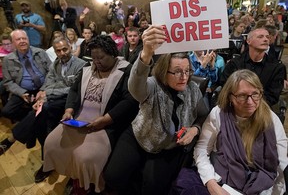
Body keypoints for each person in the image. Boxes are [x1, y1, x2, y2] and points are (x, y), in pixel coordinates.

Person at [104, 25, 209, 195]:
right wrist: (146, 53)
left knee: (153, 188)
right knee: (113, 177)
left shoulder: (192, 90)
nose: (184, 77)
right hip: (140, 136)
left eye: (187, 71)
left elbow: (204, 115)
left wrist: (195, 130)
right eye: (176, 72)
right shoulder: (153, 84)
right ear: (163, 71)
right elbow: (135, 87)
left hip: (168, 145)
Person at [42, 35, 139, 194]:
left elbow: (129, 101)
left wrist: (105, 120)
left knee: (84, 156)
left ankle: (89, 183)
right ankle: (75, 176)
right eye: (94, 58)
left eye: (101, 58)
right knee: (52, 143)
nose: (96, 62)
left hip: (106, 122)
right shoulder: (88, 66)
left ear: (113, 54)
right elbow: (74, 90)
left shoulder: (126, 69)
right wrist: (69, 110)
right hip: (79, 118)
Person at [0, 37, 87, 183]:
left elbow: (74, 89)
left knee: (43, 109)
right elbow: (48, 80)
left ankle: (11, 140)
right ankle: (47, 163)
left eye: (65, 49)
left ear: (70, 48)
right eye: (58, 51)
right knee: (42, 123)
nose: (62, 53)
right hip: (53, 100)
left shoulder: (82, 65)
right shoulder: (56, 64)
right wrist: (42, 93)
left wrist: (46, 95)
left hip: (70, 101)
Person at [193, 69, 288, 195]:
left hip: (261, 184)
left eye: (255, 94)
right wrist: (210, 182)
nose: (250, 102)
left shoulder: (270, 119)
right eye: (242, 96)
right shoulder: (219, 114)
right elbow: (202, 149)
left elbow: (281, 162)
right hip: (224, 180)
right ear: (230, 97)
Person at [220, 27, 286, 107]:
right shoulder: (234, 64)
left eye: (267, 37)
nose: (266, 39)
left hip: (261, 109)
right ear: (248, 41)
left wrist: (251, 105)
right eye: (260, 37)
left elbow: (272, 96)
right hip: (235, 107)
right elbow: (226, 87)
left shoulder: (277, 68)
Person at [2, 29, 51, 122]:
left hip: (43, 87)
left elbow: (52, 72)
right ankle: (28, 119)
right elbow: (8, 82)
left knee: (46, 108)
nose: (22, 41)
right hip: (23, 91)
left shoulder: (40, 52)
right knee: (7, 111)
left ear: (28, 39)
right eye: (18, 39)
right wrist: (22, 93)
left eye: (24, 38)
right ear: (13, 43)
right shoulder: (8, 60)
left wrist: (43, 89)